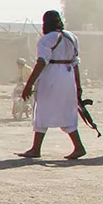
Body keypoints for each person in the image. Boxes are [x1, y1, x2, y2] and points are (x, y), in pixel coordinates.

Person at [18, 10, 85, 160]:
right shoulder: (72, 37)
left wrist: (29, 84)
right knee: (67, 111)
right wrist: (78, 86)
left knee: (42, 109)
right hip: (68, 78)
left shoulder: (47, 39)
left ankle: (36, 149)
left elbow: (42, 61)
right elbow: (75, 64)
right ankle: (78, 146)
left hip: (52, 77)